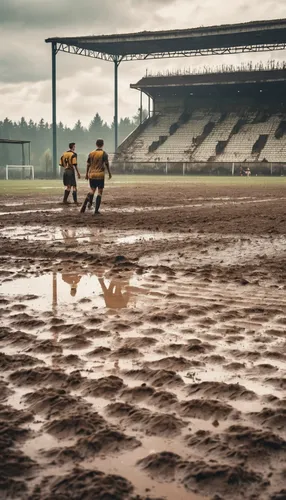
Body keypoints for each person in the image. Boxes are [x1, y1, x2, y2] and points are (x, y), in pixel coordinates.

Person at [80, 138, 112, 214]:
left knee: (92, 190)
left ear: (96, 144)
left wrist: (86, 174)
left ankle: (85, 203)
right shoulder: (104, 154)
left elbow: (88, 164)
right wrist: (109, 173)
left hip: (92, 175)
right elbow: (107, 164)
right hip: (100, 175)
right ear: (103, 144)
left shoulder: (91, 153)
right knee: (100, 192)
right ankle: (96, 211)